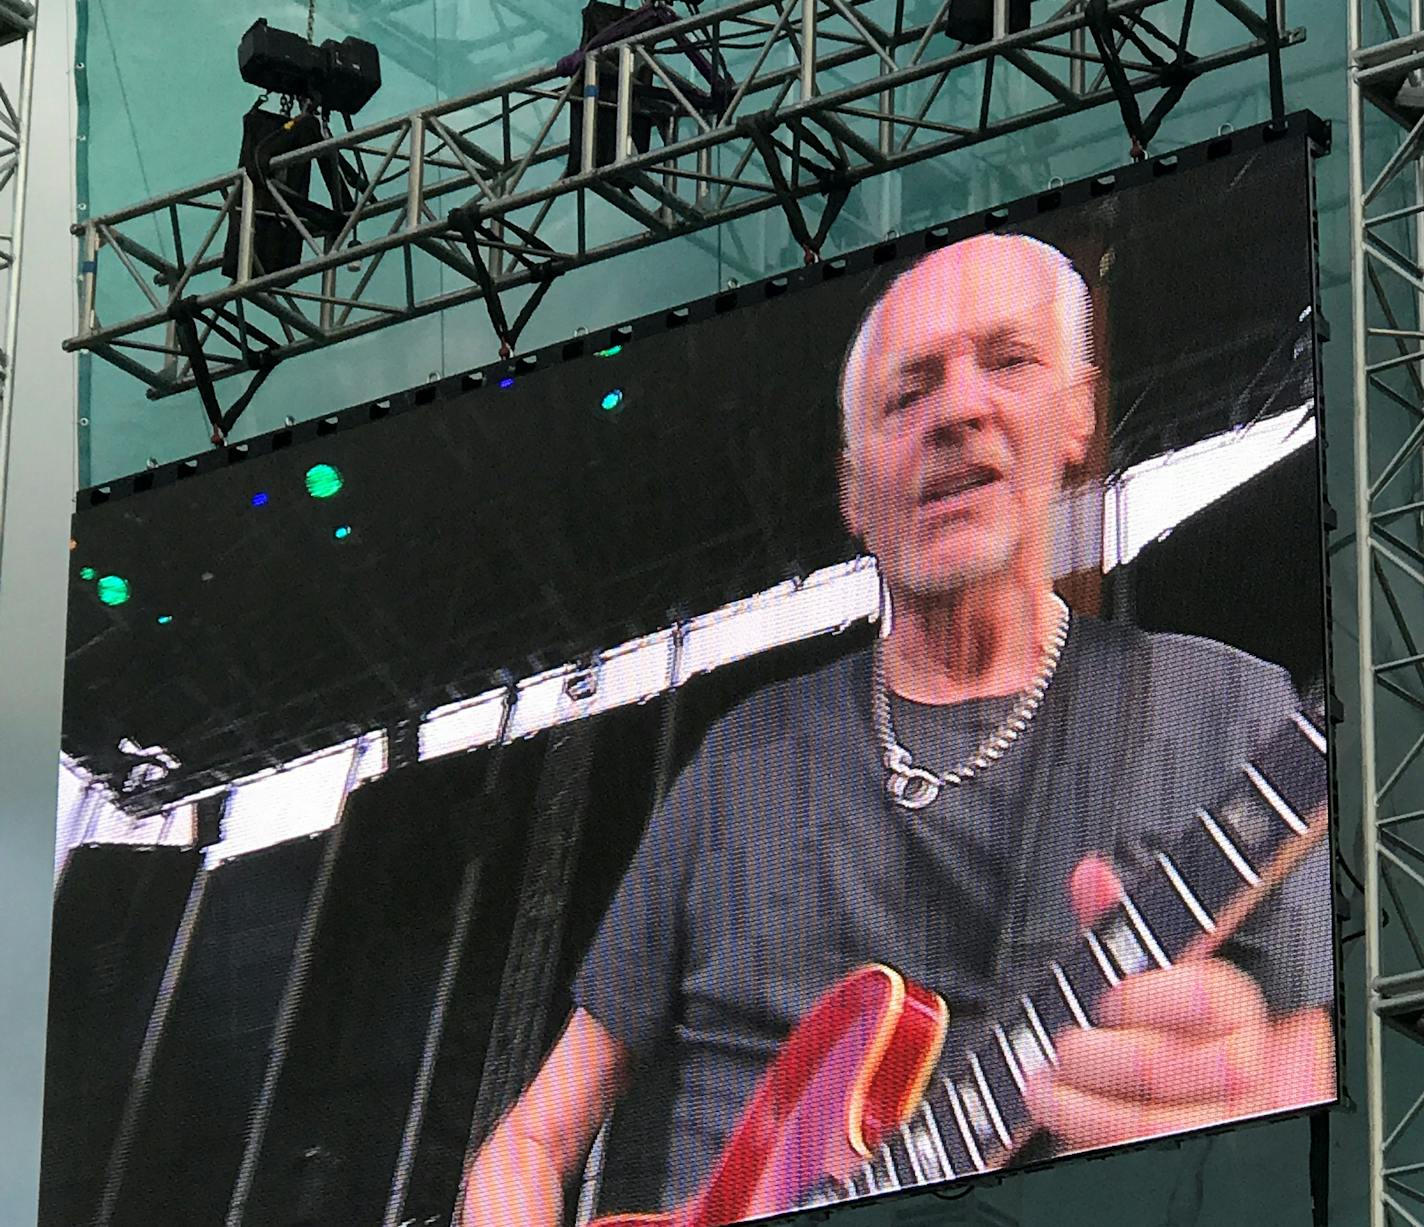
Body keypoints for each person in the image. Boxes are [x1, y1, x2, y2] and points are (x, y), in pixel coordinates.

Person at [459, 233, 1334, 1227]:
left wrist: (1263, 1115)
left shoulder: (1222, 712)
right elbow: (528, 1143)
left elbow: (1322, 1063)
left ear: (1078, 414)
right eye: (906, 391)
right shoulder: (738, 765)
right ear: (851, 491)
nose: (958, 409)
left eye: (1006, 361)